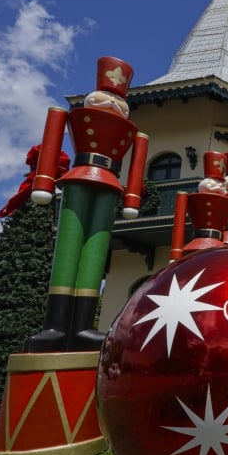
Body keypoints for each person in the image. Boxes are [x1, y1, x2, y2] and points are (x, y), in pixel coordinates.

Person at [25, 56, 149, 353]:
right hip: (80, 177)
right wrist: (43, 182)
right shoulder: (71, 117)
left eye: (117, 100)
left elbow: (138, 160)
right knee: (69, 248)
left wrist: (132, 199)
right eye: (105, 97)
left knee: (94, 252)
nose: (110, 103)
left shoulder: (131, 133)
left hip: (108, 185)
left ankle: (82, 325)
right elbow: (53, 135)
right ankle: (54, 325)